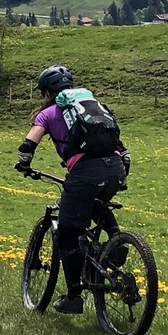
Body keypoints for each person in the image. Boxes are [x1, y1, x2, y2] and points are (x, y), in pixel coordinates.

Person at [15, 64, 131, 314]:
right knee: (95, 204)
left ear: (47, 92)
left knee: (67, 233)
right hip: (116, 167)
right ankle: (115, 239)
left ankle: (74, 296)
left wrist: (24, 165)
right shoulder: (92, 106)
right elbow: (120, 145)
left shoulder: (48, 114)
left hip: (85, 173)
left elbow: (27, 146)